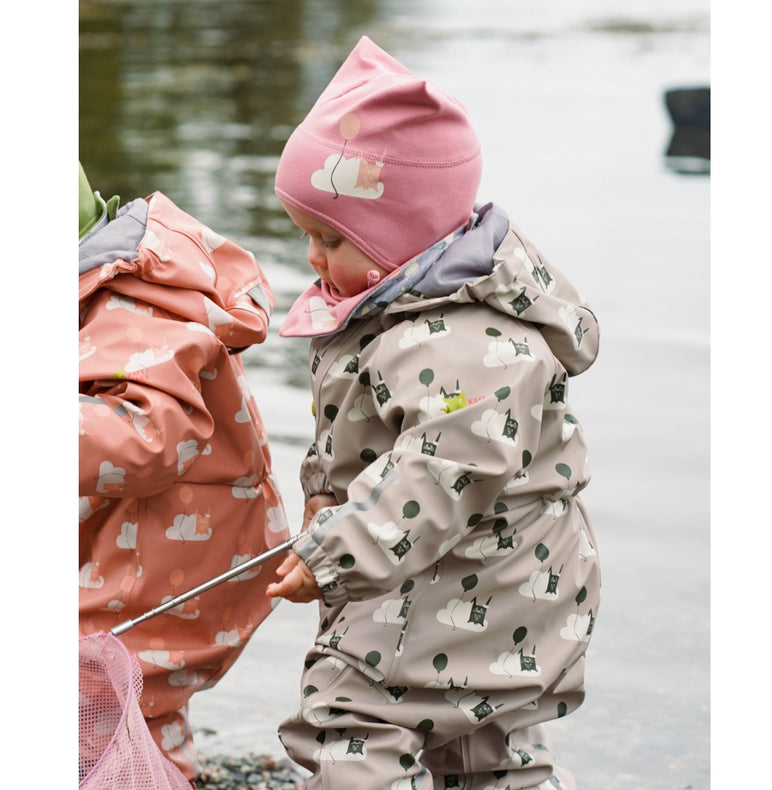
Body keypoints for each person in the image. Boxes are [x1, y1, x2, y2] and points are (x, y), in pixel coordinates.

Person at [266, 36, 601, 790]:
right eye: (306, 236)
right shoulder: (399, 309)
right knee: (486, 745)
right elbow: (360, 432)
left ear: (402, 234)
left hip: (476, 586)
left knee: (353, 718)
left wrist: (332, 552)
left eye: (330, 239)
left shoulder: (462, 346)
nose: (313, 260)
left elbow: (440, 471)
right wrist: (326, 496)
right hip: (500, 583)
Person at [78, 163, 290, 783]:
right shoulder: (110, 291)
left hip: (173, 559)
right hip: (158, 541)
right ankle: (163, 769)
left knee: (92, 673)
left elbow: (148, 437)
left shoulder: (133, 307)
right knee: (134, 692)